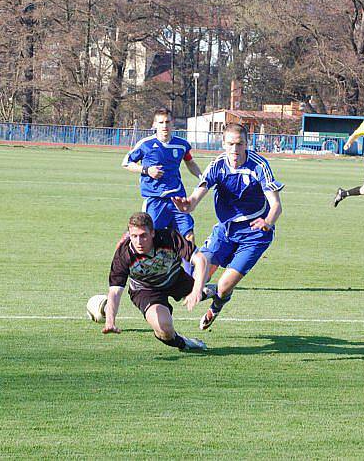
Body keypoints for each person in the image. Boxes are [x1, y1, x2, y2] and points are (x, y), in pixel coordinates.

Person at [173, 123, 284, 330]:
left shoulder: (258, 165)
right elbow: (196, 197)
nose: (235, 149)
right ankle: (209, 291)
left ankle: (216, 306)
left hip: (255, 233)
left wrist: (267, 222)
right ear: (223, 144)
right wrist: (187, 205)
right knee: (195, 280)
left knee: (223, 288)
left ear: (246, 144)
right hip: (225, 230)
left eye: (239, 144)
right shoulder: (218, 165)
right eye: (230, 144)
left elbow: (276, 205)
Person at [102, 212, 213, 351]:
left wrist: (196, 290)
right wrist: (110, 321)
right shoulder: (124, 255)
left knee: (216, 290)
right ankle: (184, 343)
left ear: (152, 233)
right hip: (146, 290)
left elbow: (200, 259)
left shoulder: (168, 237)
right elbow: (115, 292)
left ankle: (212, 292)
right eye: (134, 236)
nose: (138, 241)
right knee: (164, 329)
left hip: (174, 278)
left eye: (143, 235)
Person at [122, 108, 202, 242]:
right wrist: (147, 170)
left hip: (177, 199)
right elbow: (126, 163)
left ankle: (187, 264)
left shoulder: (181, 145)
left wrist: (203, 178)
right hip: (155, 200)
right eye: (161, 122)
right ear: (154, 124)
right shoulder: (145, 144)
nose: (164, 126)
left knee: (189, 237)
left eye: (167, 122)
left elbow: (190, 162)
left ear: (172, 123)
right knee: (150, 238)